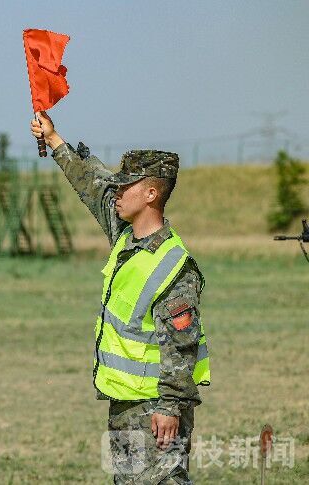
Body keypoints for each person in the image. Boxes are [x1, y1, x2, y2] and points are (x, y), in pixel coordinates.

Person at [31, 112, 211, 484]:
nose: (116, 192)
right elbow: (91, 185)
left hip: (156, 411)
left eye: (125, 186)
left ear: (151, 194)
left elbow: (182, 343)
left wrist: (170, 406)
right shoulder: (125, 237)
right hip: (125, 405)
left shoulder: (173, 265)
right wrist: (54, 139)